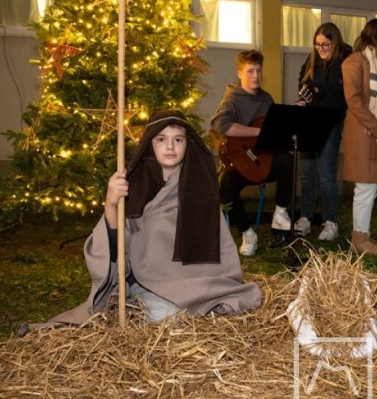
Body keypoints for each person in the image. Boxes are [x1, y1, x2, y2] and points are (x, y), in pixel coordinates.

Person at [46, 110, 262, 325]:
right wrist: (111, 203)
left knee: (208, 310)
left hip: (193, 284)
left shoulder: (201, 190)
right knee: (168, 316)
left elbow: (218, 254)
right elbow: (115, 243)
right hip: (146, 283)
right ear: (150, 143)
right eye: (161, 139)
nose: (170, 147)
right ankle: (142, 307)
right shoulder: (133, 186)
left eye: (178, 139)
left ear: (187, 144)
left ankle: (187, 307)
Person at [210, 50, 295, 256]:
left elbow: (275, 128)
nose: (256, 76)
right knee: (226, 185)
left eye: (258, 70)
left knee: (286, 160)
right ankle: (247, 233)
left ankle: (280, 213)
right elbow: (221, 125)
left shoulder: (266, 99)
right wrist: (256, 132)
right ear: (240, 73)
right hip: (242, 162)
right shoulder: (232, 98)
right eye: (250, 71)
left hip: (264, 160)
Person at [341, 18, 377, 256]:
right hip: (364, 133)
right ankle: (359, 239)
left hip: (375, 133)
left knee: (369, 186)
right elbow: (354, 100)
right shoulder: (355, 61)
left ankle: (363, 233)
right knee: (365, 186)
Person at [294, 23, 352, 242]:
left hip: (330, 123)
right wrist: (306, 97)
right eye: (317, 44)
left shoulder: (343, 62)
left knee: (326, 174)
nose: (321, 48)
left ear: (335, 42)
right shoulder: (312, 60)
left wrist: (314, 95)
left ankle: (331, 221)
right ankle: (305, 217)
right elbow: (303, 83)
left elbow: (335, 98)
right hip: (309, 121)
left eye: (325, 44)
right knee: (307, 172)